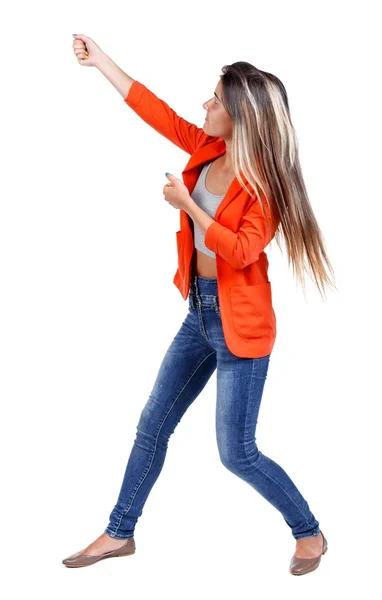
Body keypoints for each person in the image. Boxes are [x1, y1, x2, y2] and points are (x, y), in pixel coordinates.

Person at [63, 34, 335, 574]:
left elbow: (239, 249)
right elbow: (155, 111)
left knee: (237, 454)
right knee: (152, 424)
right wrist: (102, 63)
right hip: (199, 313)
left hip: (243, 327)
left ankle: (309, 532)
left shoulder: (266, 185)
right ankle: (119, 532)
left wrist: (187, 204)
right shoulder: (206, 148)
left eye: (214, 100)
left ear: (238, 115)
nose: (204, 106)